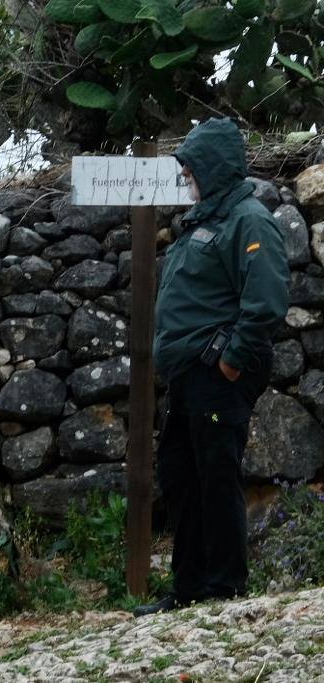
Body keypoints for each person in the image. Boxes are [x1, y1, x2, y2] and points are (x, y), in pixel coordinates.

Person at [135, 118, 289, 616]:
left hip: (215, 372)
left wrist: (230, 361)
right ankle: (189, 586)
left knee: (217, 475)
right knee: (181, 475)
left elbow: (265, 302)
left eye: (192, 170)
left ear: (214, 168)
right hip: (189, 374)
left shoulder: (249, 219)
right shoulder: (205, 221)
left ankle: (225, 588)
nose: (187, 180)